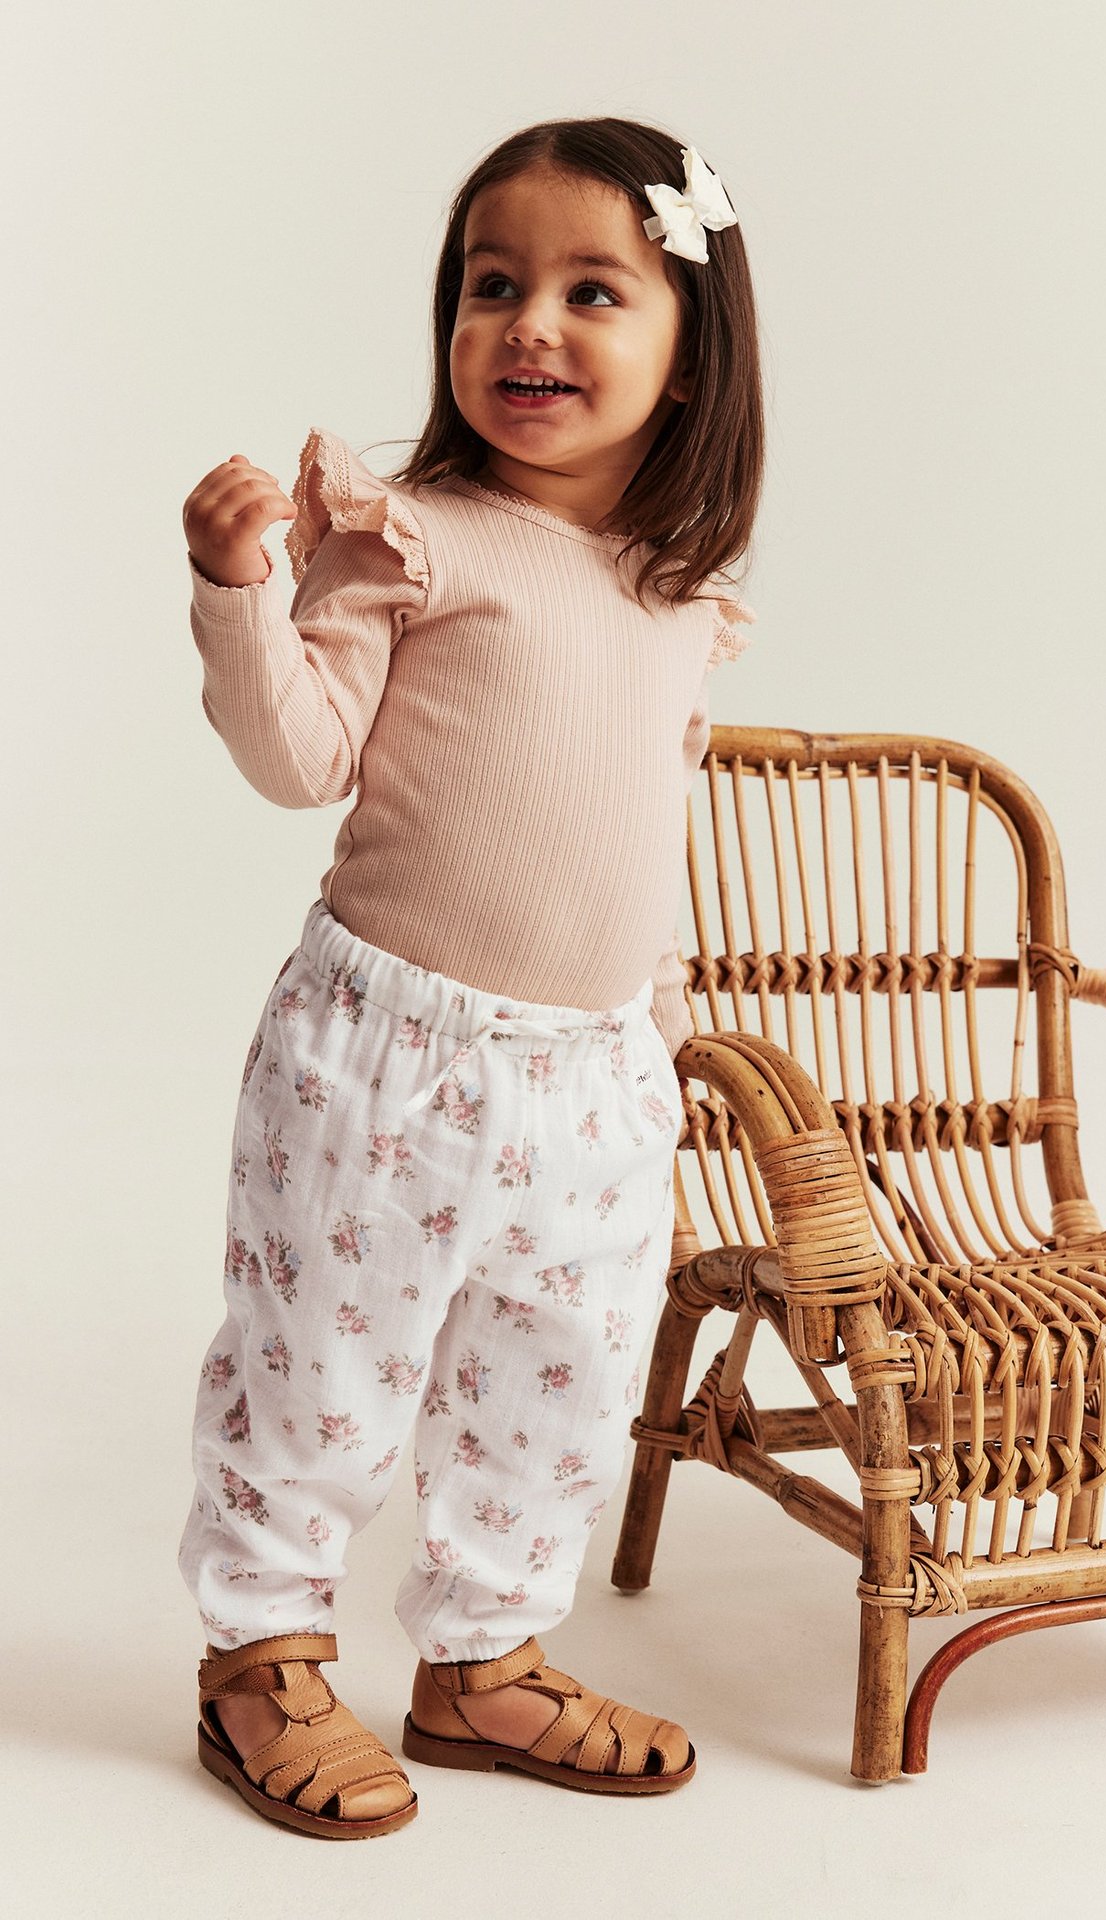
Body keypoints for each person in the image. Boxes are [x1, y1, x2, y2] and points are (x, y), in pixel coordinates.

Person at [177, 116, 764, 1838]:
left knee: (558, 1379)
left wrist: (659, 1037)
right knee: (321, 1365)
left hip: (593, 1080)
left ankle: (485, 1658)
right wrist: (239, 593)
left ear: (690, 354)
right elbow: (300, 759)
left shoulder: (679, 602)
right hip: (387, 1057)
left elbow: (642, 840)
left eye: (595, 290)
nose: (531, 325)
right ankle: (261, 1655)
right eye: (492, 285)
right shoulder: (411, 536)